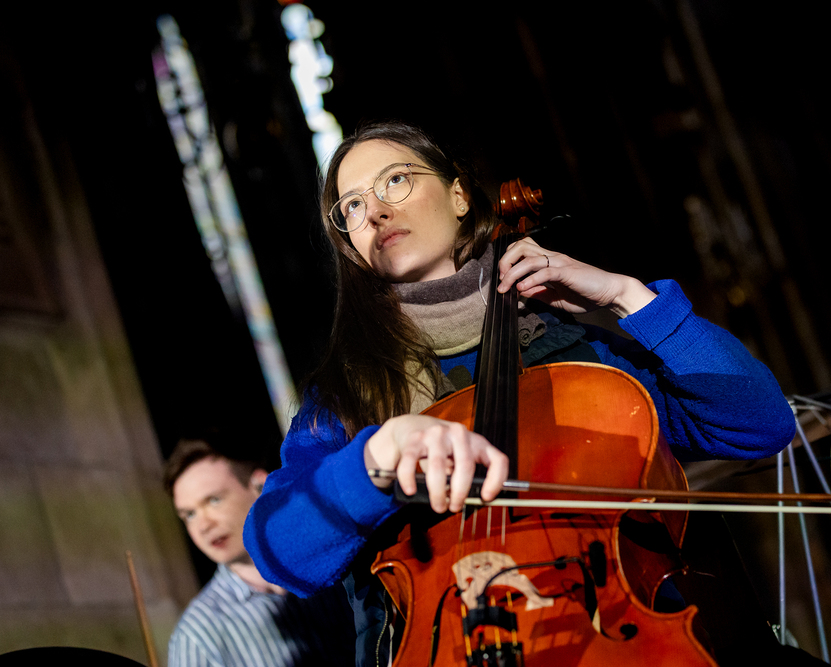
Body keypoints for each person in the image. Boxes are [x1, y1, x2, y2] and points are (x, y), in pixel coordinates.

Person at [243, 120, 797, 665]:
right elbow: (277, 552)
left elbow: (757, 424)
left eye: (395, 181)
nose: (376, 212)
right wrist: (372, 463)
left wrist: (629, 298)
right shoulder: (345, 396)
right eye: (353, 207)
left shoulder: (579, 356)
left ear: (460, 196)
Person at [164, 435, 354, 666]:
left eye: (214, 500)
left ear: (260, 485)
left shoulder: (338, 560)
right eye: (190, 515)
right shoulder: (197, 637)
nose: (203, 526)